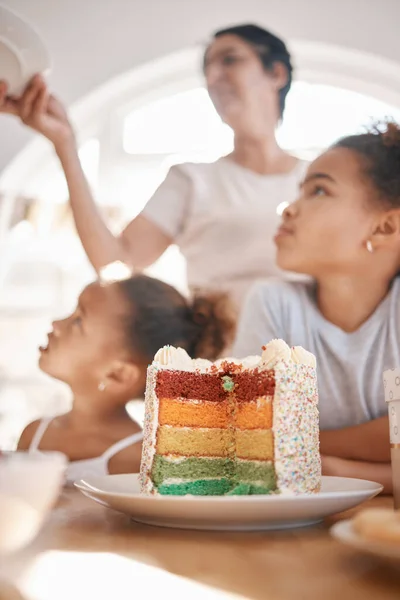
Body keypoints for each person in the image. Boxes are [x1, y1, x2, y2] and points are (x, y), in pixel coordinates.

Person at [0, 24, 307, 316]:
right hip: (220, 364)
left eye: (230, 60)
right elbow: (115, 265)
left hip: (307, 362)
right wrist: (66, 145)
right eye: (207, 69)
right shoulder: (191, 180)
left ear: (276, 73)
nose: (213, 76)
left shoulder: (316, 181)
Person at [232, 121, 400, 492]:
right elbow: (248, 433)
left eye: (319, 190)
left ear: (384, 229)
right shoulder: (272, 302)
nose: (289, 209)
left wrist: (322, 459)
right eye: (301, 191)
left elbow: (273, 443)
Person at [18, 273, 234, 484]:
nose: (56, 323)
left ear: (118, 375)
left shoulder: (138, 460)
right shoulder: (34, 434)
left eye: (78, 321)